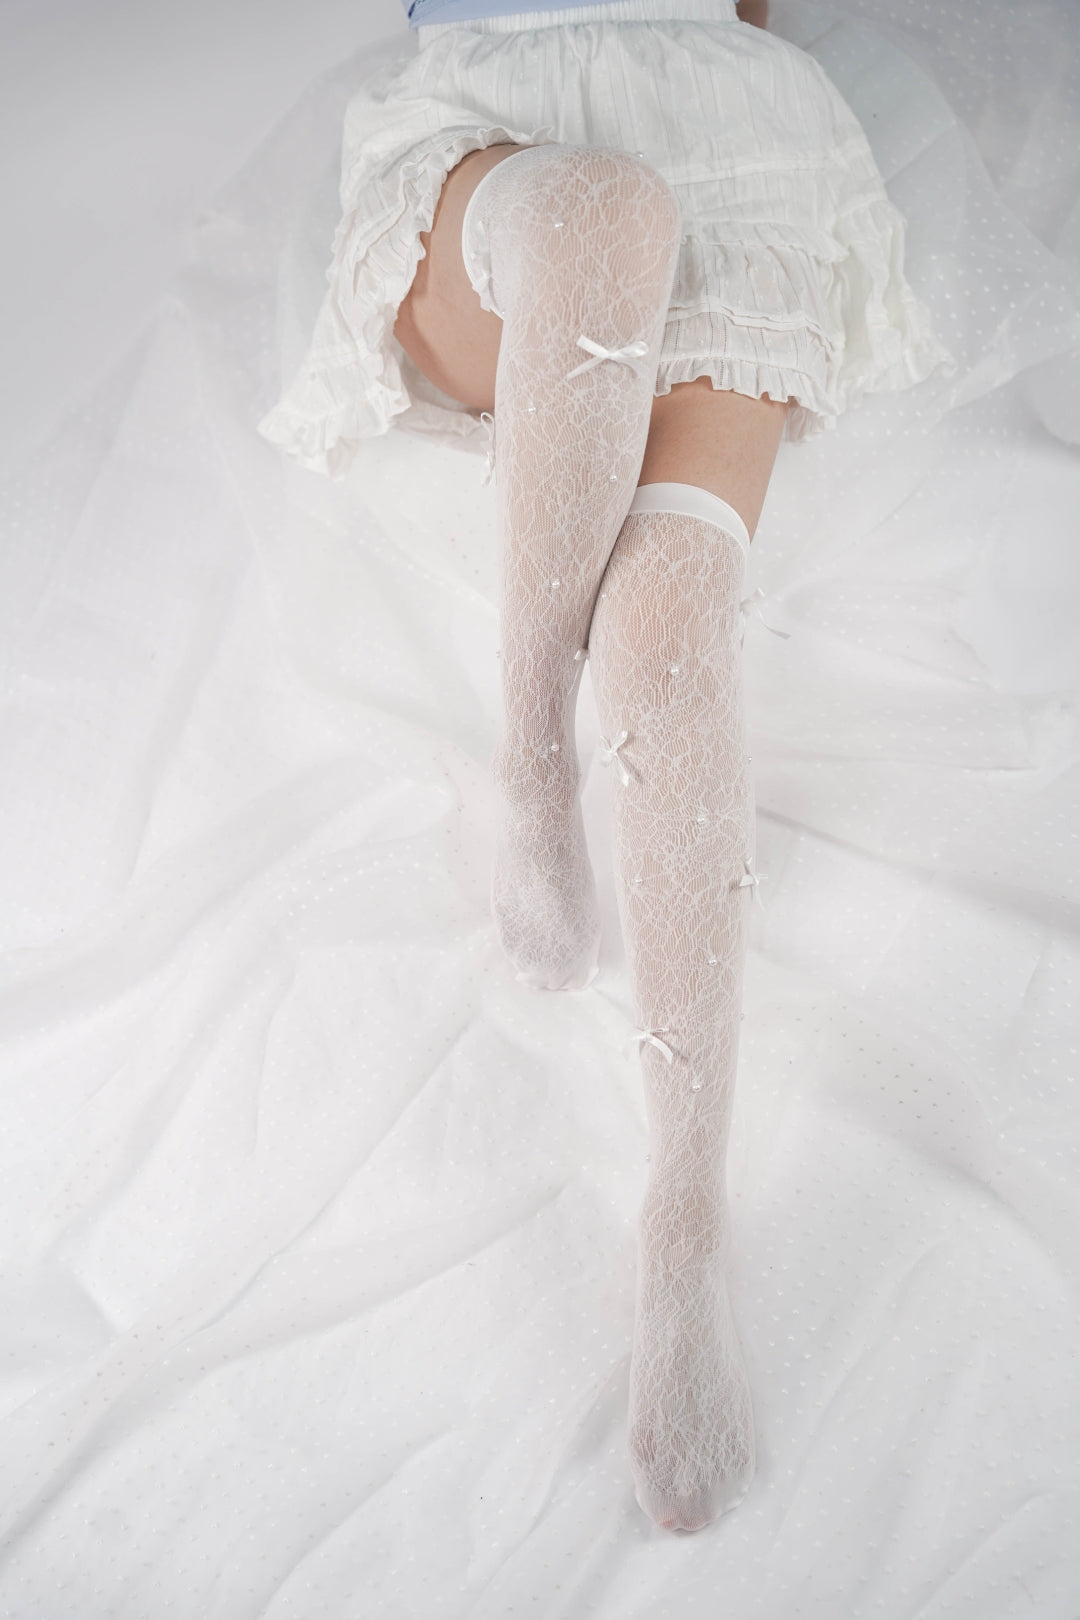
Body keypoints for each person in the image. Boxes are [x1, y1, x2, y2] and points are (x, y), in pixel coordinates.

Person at [258, 0, 954, 1534]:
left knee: (669, 623)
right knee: (600, 210)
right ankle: (533, 757)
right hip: (509, 121)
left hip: (733, 122)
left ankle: (683, 1223)